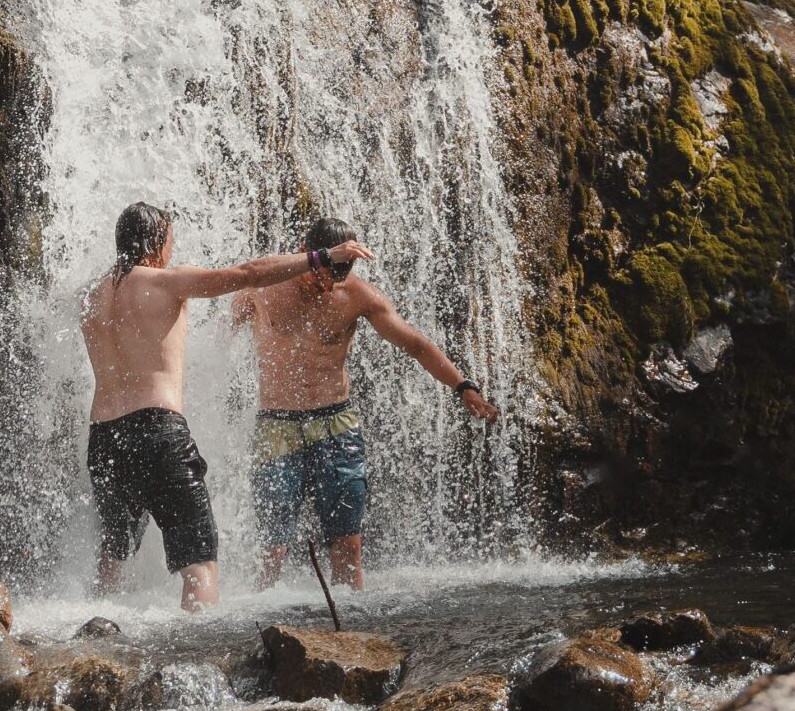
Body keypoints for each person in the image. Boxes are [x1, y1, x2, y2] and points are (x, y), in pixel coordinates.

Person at [81, 202, 375, 612]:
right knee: (199, 559)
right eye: (169, 241)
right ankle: (201, 656)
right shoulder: (165, 282)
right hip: (156, 431)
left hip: (104, 439)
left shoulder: (90, 295)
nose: (172, 250)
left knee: (113, 555)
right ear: (155, 243)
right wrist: (321, 257)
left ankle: (93, 638)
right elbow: (248, 275)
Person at [232, 217, 499, 594]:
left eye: (340, 275)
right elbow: (225, 325)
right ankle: (260, 631)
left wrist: (463, 387)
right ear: (310, 253)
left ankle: (353, 639)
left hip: (336, 426)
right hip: (276, 425)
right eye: (325, 270)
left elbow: (416, 345)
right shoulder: (264, 284)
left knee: (348, 545)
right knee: (272, 547)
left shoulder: (358, 295)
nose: (328, 283)